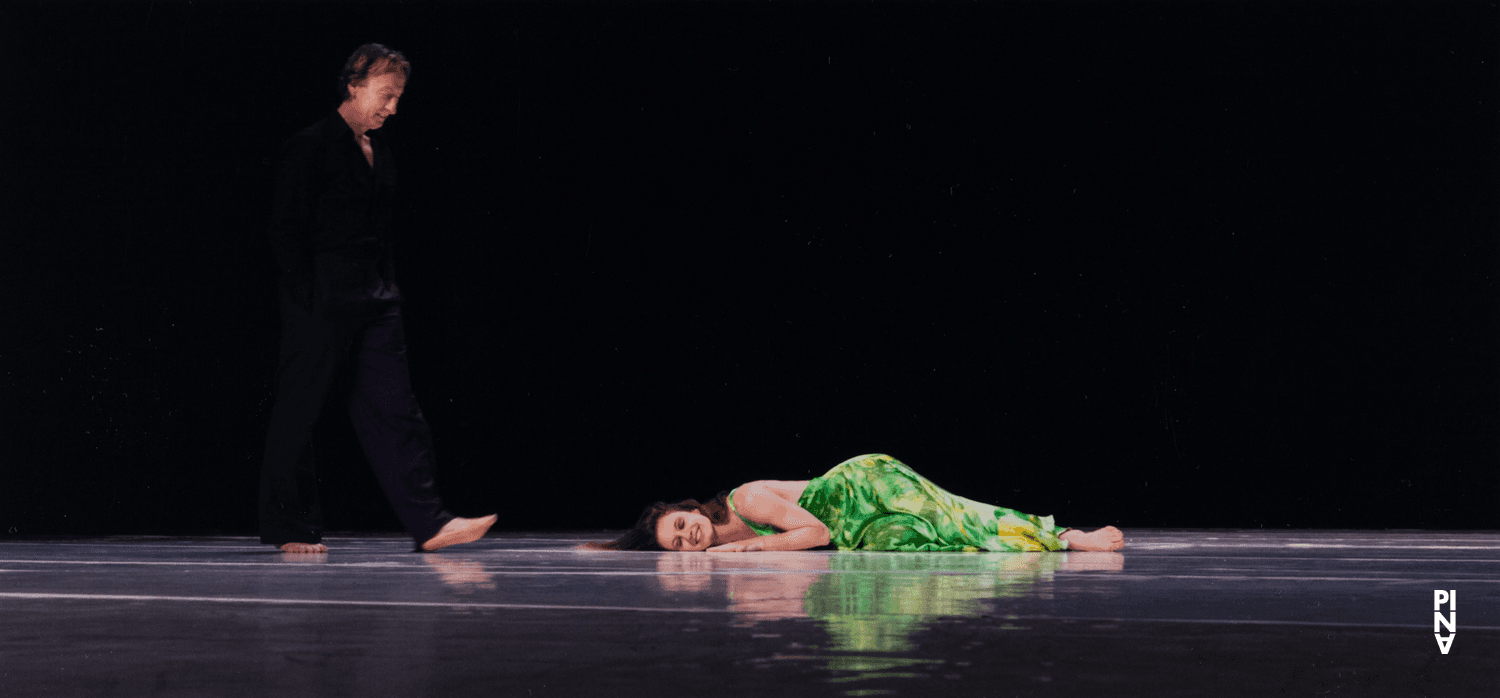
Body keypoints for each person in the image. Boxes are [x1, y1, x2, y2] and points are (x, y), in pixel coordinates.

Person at [259, 43, 495, 553]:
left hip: (375, 297)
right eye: (386, 95)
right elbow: (284, 229)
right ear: (354, 84)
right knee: (300, 410)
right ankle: (289, 528)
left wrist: (387, 286)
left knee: (395, 407)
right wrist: (307, 295)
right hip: (321, 296)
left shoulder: (381, 154)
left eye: (398, 98)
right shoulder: (311, 145)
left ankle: (430, 522)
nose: (392, 108)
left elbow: (381, 234)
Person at [586, 454, 1124, 553]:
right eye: (677, 542)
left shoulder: (744, 500)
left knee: (961, 519)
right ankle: (1057, 542)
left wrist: (736, 555)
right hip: (858, 531)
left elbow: (815, 534)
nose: (688, 536)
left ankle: (1068, 536)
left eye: (682, 524)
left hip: (866, 487)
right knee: (942, 548)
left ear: (693, 509)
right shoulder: (714, 543)